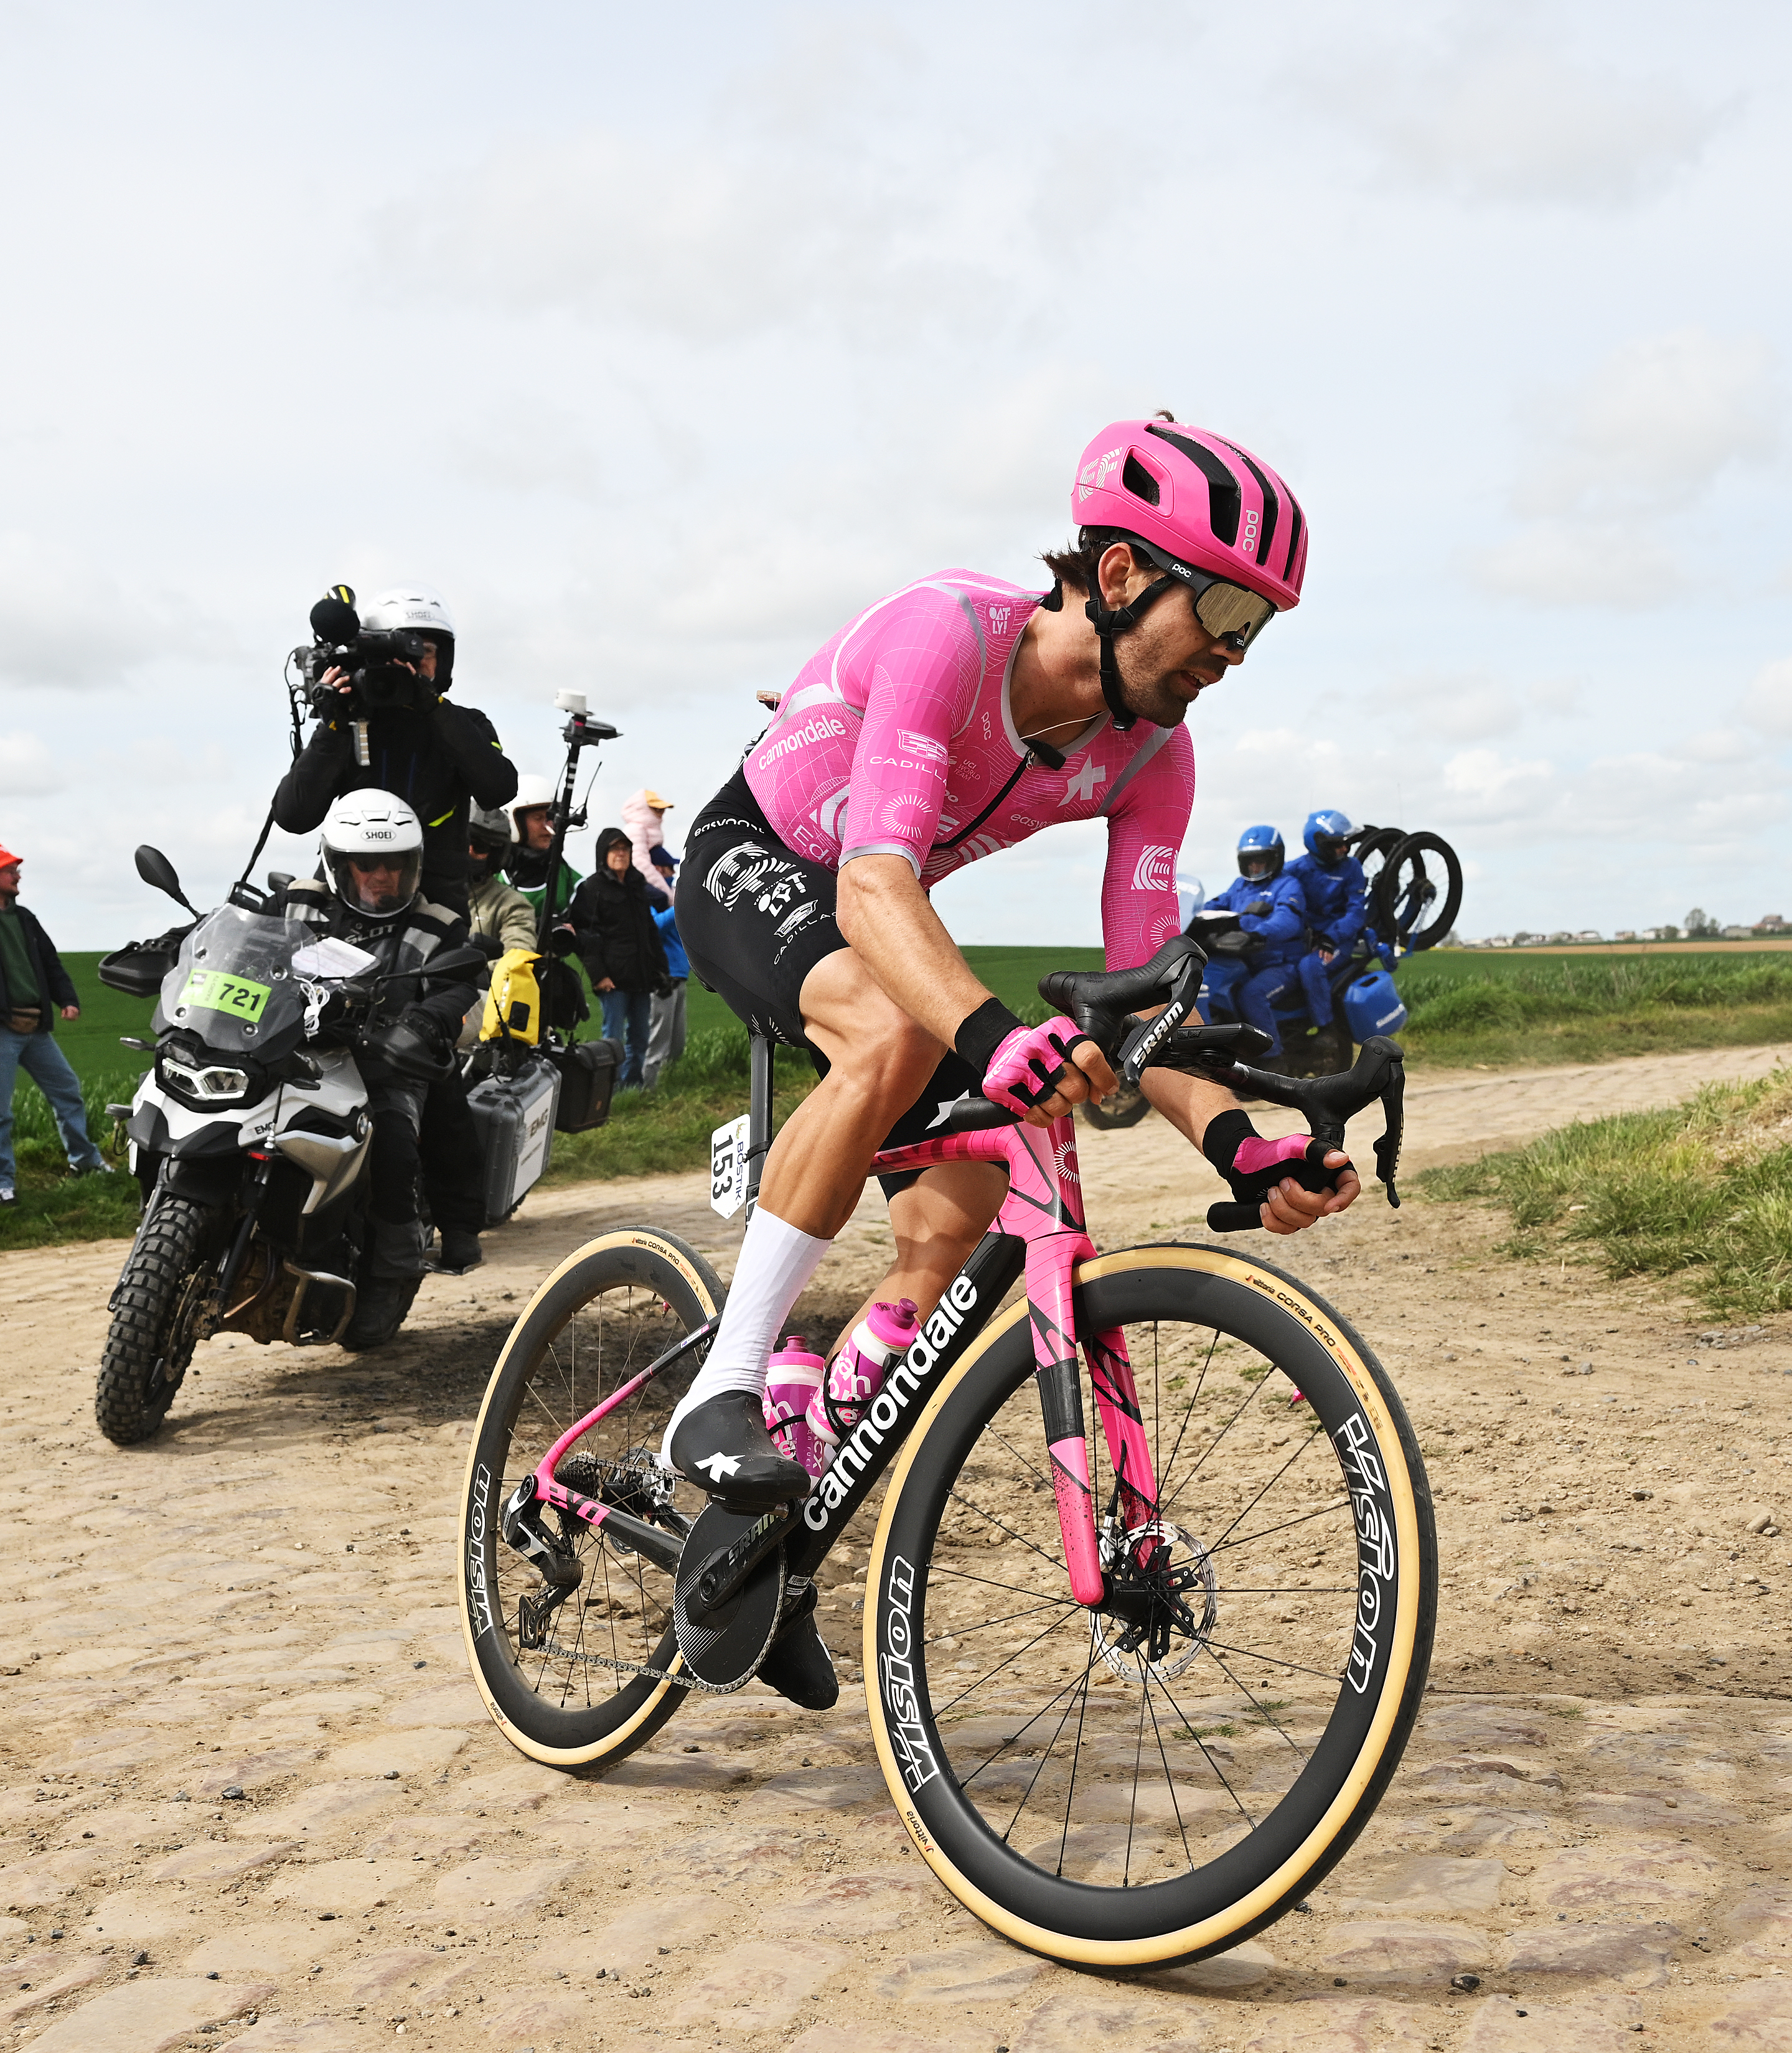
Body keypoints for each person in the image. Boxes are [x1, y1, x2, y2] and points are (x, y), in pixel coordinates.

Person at [662, 413, 1351, 1708]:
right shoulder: (950, 632)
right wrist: (988, 1029)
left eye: (1254, 626)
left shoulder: (1150, 751)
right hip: (761, 860)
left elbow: (1142, 999)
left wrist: (1234, 1136)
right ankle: (726, 1384)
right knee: (897, 1024)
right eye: (1216, 607)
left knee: (950, 1229)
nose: (1229, 651)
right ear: (1115, 573)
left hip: (877, 924)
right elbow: (872, 881)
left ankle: (773, 1542)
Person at [266, 792, 480, 1346]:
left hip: (383, 1062)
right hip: (293, 1050)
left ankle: (395, 1263)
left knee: (394, 1143)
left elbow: (459, 984)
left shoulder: (438, 925)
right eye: (369, 864)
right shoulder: (297, 905)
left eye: (396, 864)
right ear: (339, 865)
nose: (384, 876)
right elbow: (247, 944)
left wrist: (425, 1021)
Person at [273, 587, 518, 919]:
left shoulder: (466, 723)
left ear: (443, 661)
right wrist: (335, 723)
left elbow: (498, 789)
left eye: (424, 653)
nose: (409, 666)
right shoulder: (348, 723)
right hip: (347, 903)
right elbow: (293, 816)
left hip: (436, 915)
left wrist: (430, 706)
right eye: (396, 655)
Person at [0, 844, 111, 1206]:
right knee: (0, 1113)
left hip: (35, 1029)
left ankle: (86, 1162)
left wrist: (68, 999)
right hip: (2, 1030)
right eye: (10, 870)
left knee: (67, 1091)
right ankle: (3, 1184)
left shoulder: (26, 919)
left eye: (16, 869)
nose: (18, 876)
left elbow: (50, 963)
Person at [560, 828, 669, 1088]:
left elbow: (650, 931)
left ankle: (633, 1086)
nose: (621, 854)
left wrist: (660, 970)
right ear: (603, 854)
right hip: (612, 979)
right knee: (613, 1039)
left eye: (625, 849)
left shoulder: (637, 884)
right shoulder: (591, 888)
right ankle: (610, 1089)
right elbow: (584, 936)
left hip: (641, 976)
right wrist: (599, 976)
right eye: (615, 849)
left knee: (640, 1036)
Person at [1197, 826, 1309, 1064]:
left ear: (1276, 859)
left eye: (1261, 861)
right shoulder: (1241, 885)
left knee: (1252, 995)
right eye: (1249, 862)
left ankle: (1272, 1060)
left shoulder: (1288, 885)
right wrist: (1189, 918)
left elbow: (1288, 919)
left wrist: (1259, 934)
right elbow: (1215, 906)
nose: (1255, 867)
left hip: (1281, 964)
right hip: (1246, 960)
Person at [1288, 809, 1369, 1039]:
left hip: (1339, 940)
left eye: (1346, 844)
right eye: (1338, 844)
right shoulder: (1296, 869)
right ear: (1319, 844)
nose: (1345, 849)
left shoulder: (1351, 867)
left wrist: (1332, 937)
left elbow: (1356, 912)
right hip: (1306, 938)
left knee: (1311, 967)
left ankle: (1327, 1029)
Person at [504, 775, 583, 918]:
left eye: (552, 819)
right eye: (538, 818)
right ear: (515, 822)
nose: (548, 826)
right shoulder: (491, 879)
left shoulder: (574, 885)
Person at [466, 803, 539, 955]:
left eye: (480, 847)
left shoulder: (511, 905)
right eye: (463, 842)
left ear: (496, 856)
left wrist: (475, 972)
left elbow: (518, 956)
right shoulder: (423, 892)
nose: (469, 851)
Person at [644, 846, 688, 1086]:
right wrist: (678, 907)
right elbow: (654, 926)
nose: (672, 873)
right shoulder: (652, 897)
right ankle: (648, 1090)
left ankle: (669, 1088)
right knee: (658, 1040)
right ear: (657, 870)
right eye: (669, 868)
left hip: (680, 974)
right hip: (663, 976)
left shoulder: (669, 896)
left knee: (676, 1042)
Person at [622, 788, 676, 902]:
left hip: (647, 880)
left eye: (662, 809)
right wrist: (668, 895)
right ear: (642, 809)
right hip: (638, 880)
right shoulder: (635, 829)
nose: (661, 813)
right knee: (660, 898)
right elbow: (640, 863)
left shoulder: (646, 830)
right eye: (656, 809)